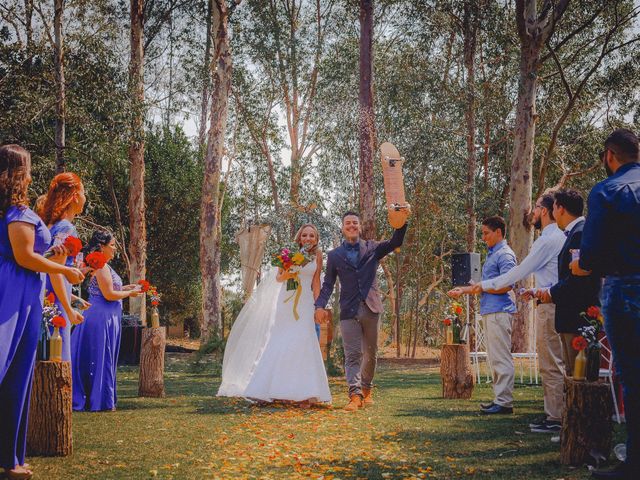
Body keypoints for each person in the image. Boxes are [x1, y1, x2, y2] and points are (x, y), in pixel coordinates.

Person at [0, 145, 84, 480]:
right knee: (8, 366)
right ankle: (9, 460)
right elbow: (23, 257)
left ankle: (10, 459)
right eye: (29, 170)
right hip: (14, 292)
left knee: (18, 376)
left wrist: (53, 253)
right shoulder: (18, 211)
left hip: (25, 291)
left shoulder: (14, 211)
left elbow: (30, 252)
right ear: (20, 172)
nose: (33, 176)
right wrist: (63, 271)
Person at [570, 129, 640, 480]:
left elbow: (592, 254)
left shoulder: (607, 190)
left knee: (631, 374)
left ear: (610, 156)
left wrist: (579, 265)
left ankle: (635, 463)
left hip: (625, 287)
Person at [469, 195, 565, 431]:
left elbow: (513, 278)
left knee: (545, 363)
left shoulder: (511, 252)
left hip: (509, 309)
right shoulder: (547, 238)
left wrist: (481, 286)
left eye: (486, 233)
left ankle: (541, 412)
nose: (483, 238)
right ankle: (549, 412)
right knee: (540, 361)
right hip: (526, 303)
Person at [218, 224, 331, 406]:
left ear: (316, 239)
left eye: (311, 236)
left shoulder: (318, 255)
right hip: (286, 301)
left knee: (303, 341)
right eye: (304, 235)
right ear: (299, 238)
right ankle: (277, 390)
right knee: (282, 341)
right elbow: (279, 278)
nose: (308, 238)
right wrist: (290, 272)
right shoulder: (288, 252)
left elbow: (316, 282)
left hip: (304, 303)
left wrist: (319, 306)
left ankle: (305, 392)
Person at [314, 210, 409, 411]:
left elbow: (395, 242)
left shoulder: (372, 248)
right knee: (352, 354)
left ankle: (366, 388)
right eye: (347, 223)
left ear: (360, 226)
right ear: (342, 227)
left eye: (355, 222)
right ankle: (355, 395)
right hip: (348, 311)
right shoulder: (334, 256)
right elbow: (328, 284)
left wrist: (401, 220)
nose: (351, 226)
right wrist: (320, 305)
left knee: (371, 353)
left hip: (371, 308)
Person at [448, 216, 517, 415]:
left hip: (499, 311)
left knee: (501, 358)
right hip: (490, 310)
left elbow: (507, 284)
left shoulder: (504, 255)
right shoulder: (493, 254)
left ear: (498, 232)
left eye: (486, 233)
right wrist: (463, 290)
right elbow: (484, 287)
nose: (484, 237)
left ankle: (504, 402)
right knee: (495, 358)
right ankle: (499, 399)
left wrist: (485, 287)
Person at [70, 230, 141, 411]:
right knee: (100, 356)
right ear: (102, 246)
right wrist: (130, 293)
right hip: (100, 317)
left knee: (105, 356)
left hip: (109, 316)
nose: (115, 248)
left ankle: (102, 397)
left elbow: (109, 288)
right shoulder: (100, 267)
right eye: (112, 245)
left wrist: (126, 287)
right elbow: (109, 295)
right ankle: (97, 399)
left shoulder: (106, 266)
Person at [535, 189, 600, 374]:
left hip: (577, 318)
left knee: (578, 376)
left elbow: (575, 280)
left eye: (554, 208)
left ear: (560, 209)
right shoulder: (573, 233)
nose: (553, 214)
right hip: (569, 317)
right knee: (571, 375)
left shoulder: (580, 234)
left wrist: (551, 293)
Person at [41, 173, 88, 362]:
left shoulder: (50, 226)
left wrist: (72, 298)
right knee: (58, 356)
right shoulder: (66, 229)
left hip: (49, 297)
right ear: (75, 195)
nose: (85, 198)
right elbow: (55, 271)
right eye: (84, 192)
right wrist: (68, 309)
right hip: (57, 304)